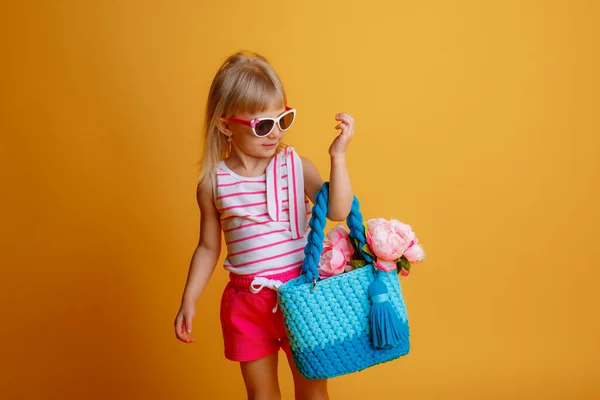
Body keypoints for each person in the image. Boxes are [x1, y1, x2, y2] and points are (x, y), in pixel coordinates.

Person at [174, 51, 354, 400]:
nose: (275, 134)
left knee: (313, 393)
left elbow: (337, 209)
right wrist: (189, 299)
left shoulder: (295, 166)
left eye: (283, 120)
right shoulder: (213, 183)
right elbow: (209, 247)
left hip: (302, 296)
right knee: (261, 395)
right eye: (262, 125)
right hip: (247, 304)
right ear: (226, 126)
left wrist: (339, 157)